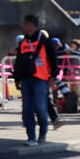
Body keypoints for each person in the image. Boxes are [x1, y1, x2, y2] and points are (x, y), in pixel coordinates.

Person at [13, 14, 58, 145]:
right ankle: (31, 137)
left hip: (41, 79)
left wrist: (53, 77)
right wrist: (17, 78)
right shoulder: (23, 42)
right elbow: (19, 62)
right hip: (26, 79)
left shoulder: (44, 41)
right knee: (27, 108)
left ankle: (42, 134)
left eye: (24, 23)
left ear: (31, 25)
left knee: (40, 108)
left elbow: (53, 60)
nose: (22, 26)